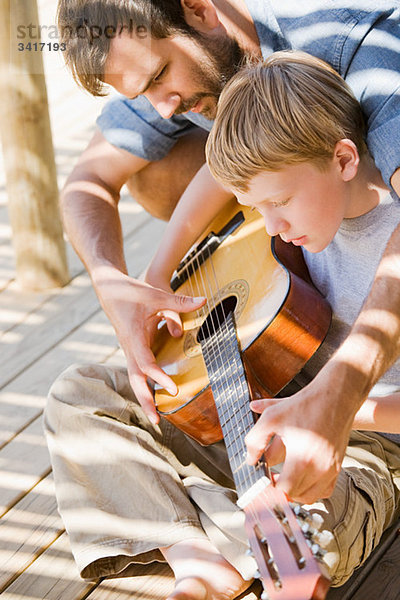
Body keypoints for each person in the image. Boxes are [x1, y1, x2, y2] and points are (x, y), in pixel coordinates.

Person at [45, 50, 400, 599]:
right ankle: (200, 561)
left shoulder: (391, 233)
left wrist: (330, 413)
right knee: (79, 393)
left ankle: (194, 519)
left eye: (280, 202)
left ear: (345, 159)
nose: (273, 226)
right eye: (255, 209)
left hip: (365, 443)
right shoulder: (304, 210)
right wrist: (157, 274)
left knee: (310, 502)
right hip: (268, 402)